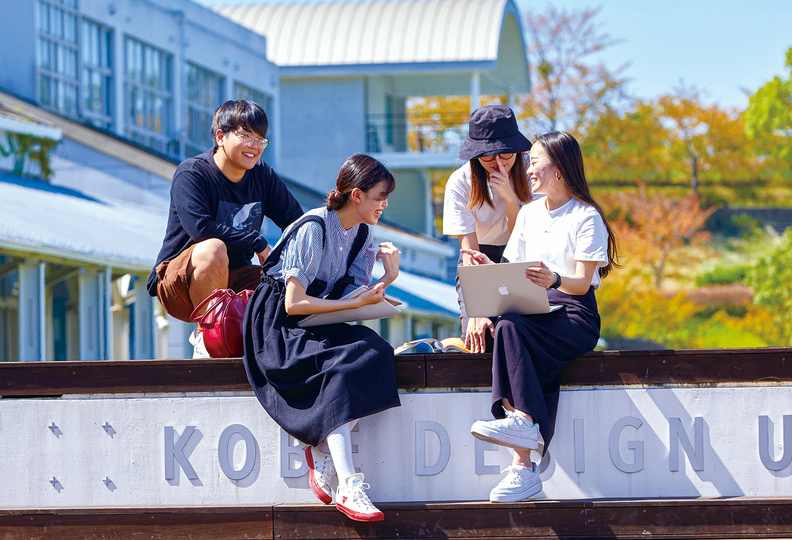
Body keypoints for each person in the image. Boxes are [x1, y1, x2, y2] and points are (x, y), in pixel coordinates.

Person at [242, 154, 400, 522]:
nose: (385, 204)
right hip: (276, 323)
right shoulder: (315, 227)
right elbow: (294, 302)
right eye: (380, 196)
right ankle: (349, 481)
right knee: (341, 368)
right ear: (357, 195)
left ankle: (322, 447)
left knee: (376, 350)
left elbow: (350, 299)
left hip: (313, 319)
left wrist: (386, 280)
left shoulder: (362, 235)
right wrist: (361, 298)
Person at [464, 131, 619, 503]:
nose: (528, 169)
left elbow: (582, 284)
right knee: (509, 325)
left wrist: (555, 279)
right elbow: (512, 268)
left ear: (561, 170)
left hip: (575, 314)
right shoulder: (530, 213)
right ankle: (523, 456)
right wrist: (489, 266)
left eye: (535, 162)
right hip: (536, 307)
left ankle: (522, 433)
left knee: (512, 328)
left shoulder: (587, 216)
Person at [146, 100, 303, 358]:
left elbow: (297, 223)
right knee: (213, 249)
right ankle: (206, 340)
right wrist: (258, 243)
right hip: (180, 283)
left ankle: (279, 356)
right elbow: (201, 229)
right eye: (245, 136)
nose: (254, 146)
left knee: (284, 286)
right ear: (221, 136)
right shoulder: (192, 173)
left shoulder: (262, 175)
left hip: (235, 279)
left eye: (260, 140)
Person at [442, 105, 533, 347]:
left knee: (520, 330)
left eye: (505, 155)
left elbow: (523, 239)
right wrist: (477, 310)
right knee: (478, 333)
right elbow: (470, 252)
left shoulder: (531, 172)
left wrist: (510, 198)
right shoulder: (460, 181)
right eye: (488, 156)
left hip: (520, 254)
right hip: (478, 256)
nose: (498, 163)